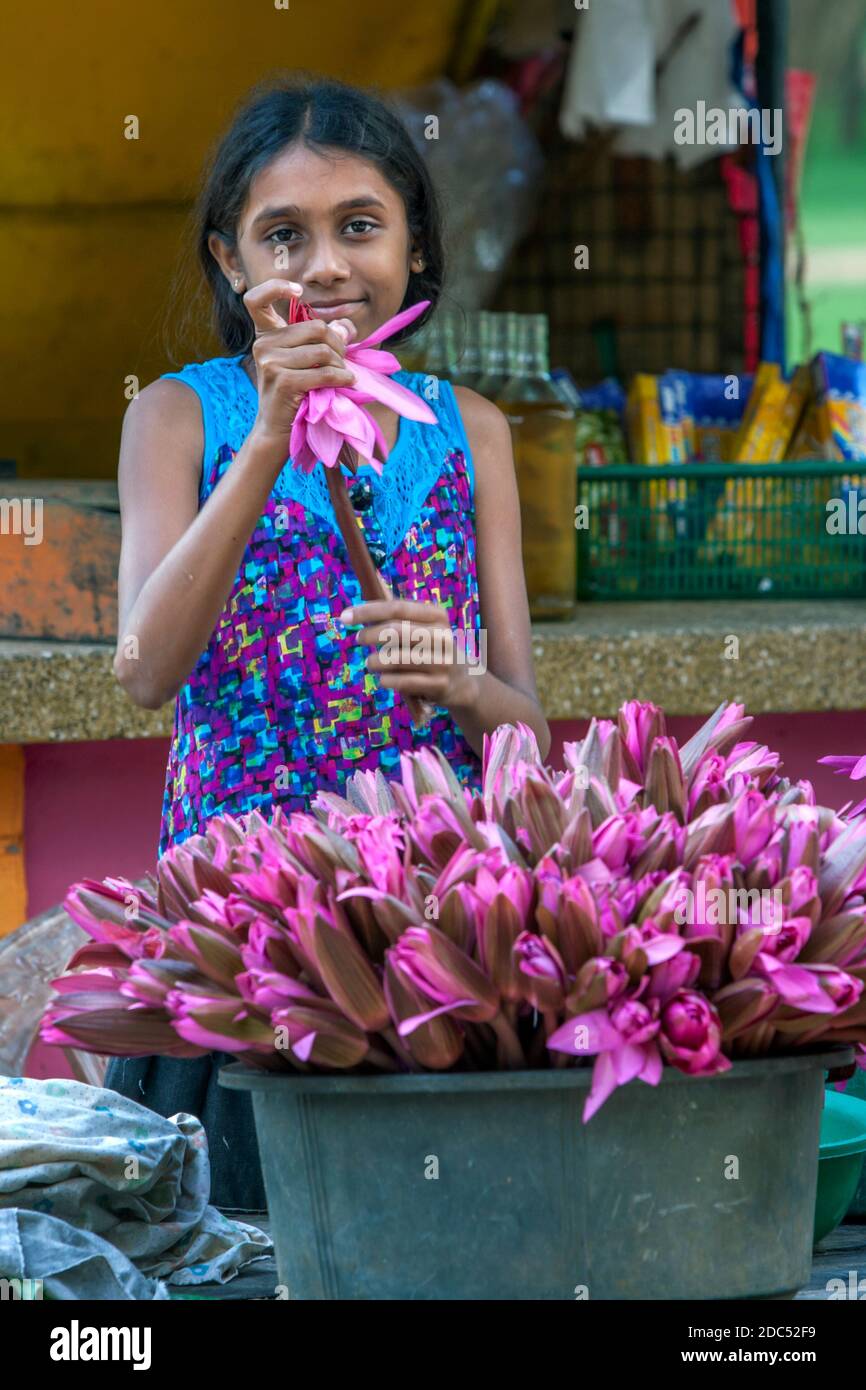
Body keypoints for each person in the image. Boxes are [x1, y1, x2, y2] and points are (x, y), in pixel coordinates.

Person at [106, 73, 551, 1212]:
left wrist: (458, 680)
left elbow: (530, 739)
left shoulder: (473, 432)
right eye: (281, 236)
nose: (323, 267)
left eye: (360, 226)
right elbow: (145, 672)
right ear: (230, 262)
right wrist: (267, 436)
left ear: (414, 246)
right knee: (247, 1245)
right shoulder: (178, 417)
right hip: (238, 948)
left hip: (436, 941)